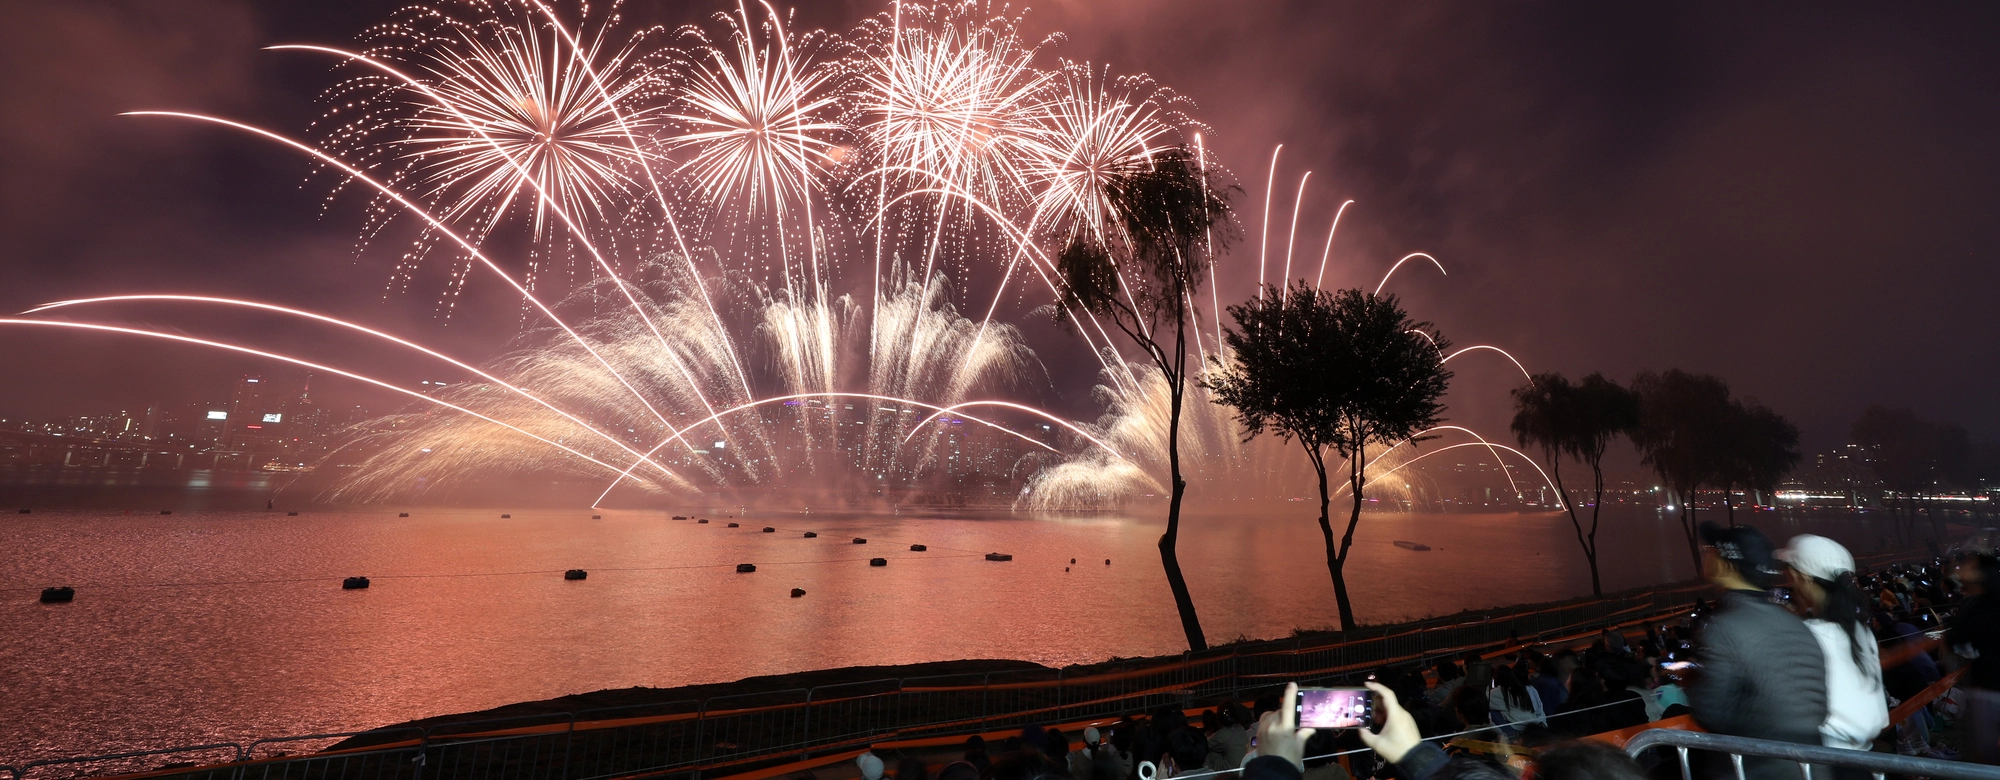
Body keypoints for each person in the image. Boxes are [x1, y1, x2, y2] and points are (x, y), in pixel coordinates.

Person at [1689, 522, 1829, 780]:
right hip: (1812, 769)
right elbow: (1817, 708)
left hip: (1754, 771)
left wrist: (1692, 680)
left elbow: (1710, 712)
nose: (1706, 554)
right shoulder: (1796, 625)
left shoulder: (1723, 627)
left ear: (1727, 564)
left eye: (1712, 550)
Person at [1778, 534, 1890, 770]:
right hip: (1866, 758)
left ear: (1804, 577)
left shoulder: (1809, 635)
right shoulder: (1859, 629)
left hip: (1829, 763)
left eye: (1790, 575)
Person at [1949, 553, 2000, 764]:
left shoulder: (1976, 608)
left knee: (1989, 755)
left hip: (1988, 689)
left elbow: (1957, 643)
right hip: (1988, 688)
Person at [1486, 664, 1546, 736]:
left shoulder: (1500, 691)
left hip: (1517, 728)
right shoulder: (1527, 688)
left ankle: (1511, 737)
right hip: (1534, 723)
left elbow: (1484, 699)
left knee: (1493, 711)